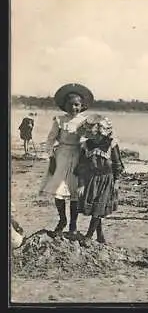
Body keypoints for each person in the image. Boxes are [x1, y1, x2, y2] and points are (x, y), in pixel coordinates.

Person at [39, 83, 94, 236]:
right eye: (70, 105)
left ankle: (73, 223)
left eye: (77, 105)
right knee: (59, 190)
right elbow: (50, 140)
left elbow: (87, 141)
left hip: (78, 156)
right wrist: (51, 158)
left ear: (82, 106)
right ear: (64, 105)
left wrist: (87, 159)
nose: (73, 108)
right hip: (61, 155)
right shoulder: (59, 120)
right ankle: (62, 219)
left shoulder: (85, 121)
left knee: (74, 192)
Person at [74, 114, 124, 247]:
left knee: (99, 207)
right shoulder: (86, 145)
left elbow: (117, 164)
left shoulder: (111, 144)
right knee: (95, 206)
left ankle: (89, 236)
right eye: (93, 135)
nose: (96, 137)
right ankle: (100, 236)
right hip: (92, 179)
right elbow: (82, 166)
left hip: (107, 179)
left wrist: (117, 181)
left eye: (99, 135)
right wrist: (81, 184)